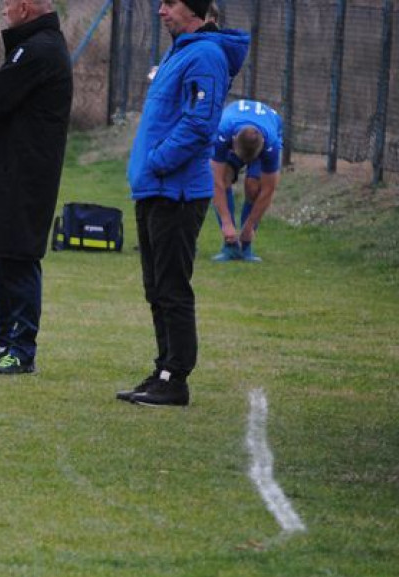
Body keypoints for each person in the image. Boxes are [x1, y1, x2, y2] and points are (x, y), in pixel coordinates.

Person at [117, 0, 248, 406]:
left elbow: (199, 123)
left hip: (176, 191)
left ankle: (176, 379)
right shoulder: (182, 49)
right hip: (155, 188)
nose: (160, 11)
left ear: (194, 9)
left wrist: (157, 161)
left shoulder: (206, 54)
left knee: (172, 287)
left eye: (169, 3)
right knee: (156, 286)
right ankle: (162, 370)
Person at [0, 0, 72, 375]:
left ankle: (23, 348)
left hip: (26, 172)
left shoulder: (40, 49)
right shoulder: (30, 46)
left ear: (25, 7)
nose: (3, 10)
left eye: (8, 3)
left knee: (17, 257)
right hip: (8, 166)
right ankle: (3, 337)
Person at [210, 99, 284, 262]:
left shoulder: (270, 143)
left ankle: (245, 245)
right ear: (234, 141)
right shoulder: (222, 132)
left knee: (254, 186)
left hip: (267, 127)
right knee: (224, 176)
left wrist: (250, 226)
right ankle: (230, 246)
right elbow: (215, 181)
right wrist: (226, 222)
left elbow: (268, 189)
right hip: (234, 126)